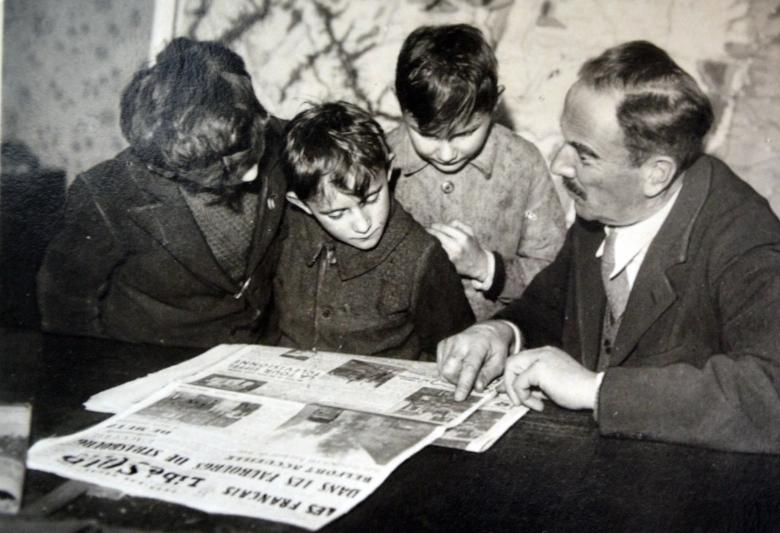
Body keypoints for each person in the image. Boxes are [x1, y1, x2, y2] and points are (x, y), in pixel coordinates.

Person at [437, 40, 780, 453]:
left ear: (656, 174)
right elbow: (553, 305)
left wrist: (596, 390)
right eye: (566, 141)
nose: (559, 164)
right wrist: (501, 332)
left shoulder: (743, 235)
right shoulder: (604, 208)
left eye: (585, 155)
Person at [37, 38, 287, 348]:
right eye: (225, 166)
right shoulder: (106, 193)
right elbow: (65, 301)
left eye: (249, 150)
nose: (251, 173)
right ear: (171, 160)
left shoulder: (271, 138)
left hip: (254, 355)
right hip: (151, 359)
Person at [387, 24, 566, 321]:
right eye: (427, 135)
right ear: (400, 103)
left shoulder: (523, 163)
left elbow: (556, 274)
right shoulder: (381, 158)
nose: (446, 154)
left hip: (497, 339)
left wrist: (485, 267)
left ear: (495, 103)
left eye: (464, 133)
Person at [276, 101, 474, 360]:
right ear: (301, 204)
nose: (363, 225)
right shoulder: (288, 232)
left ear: (389, 170)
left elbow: (459, 348)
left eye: (371, 199)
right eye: (337, 213)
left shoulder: (421, 256)